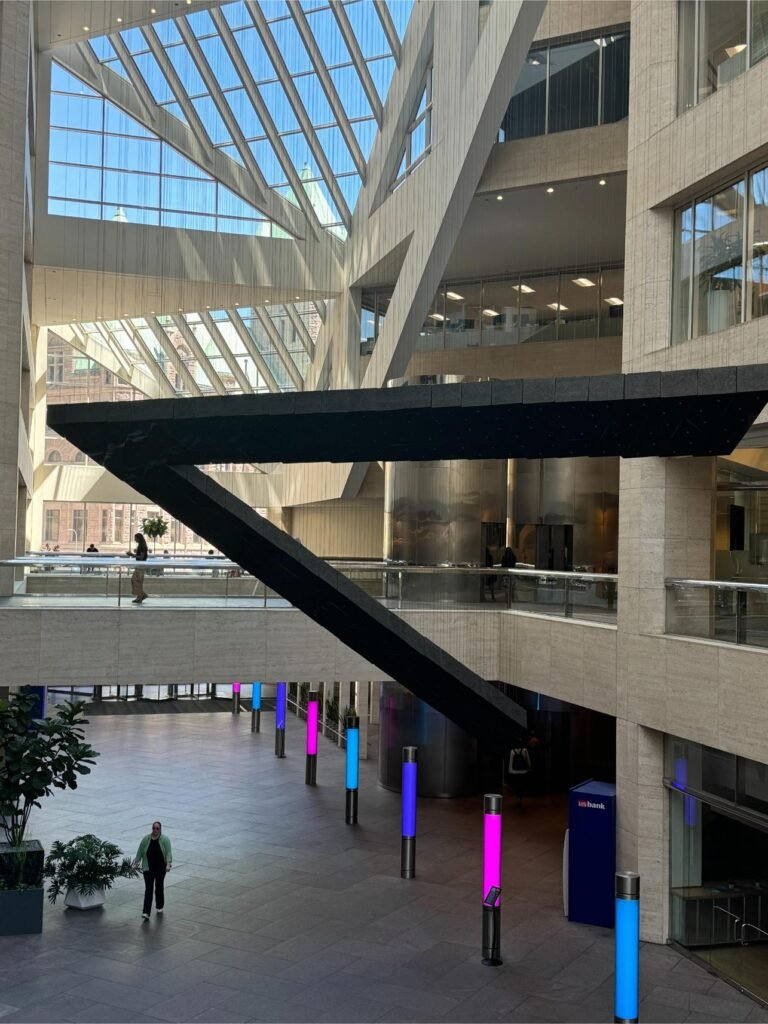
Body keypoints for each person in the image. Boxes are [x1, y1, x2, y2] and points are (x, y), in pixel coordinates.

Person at [133, 821, 172, 920]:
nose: (155, 830)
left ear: (160, 829)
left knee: (159, 887)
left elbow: (168, 853)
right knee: (149, 889)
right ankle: (146, 912)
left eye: (157, 828)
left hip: (160, 868)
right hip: (148, 868)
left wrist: (168, 864)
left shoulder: (165, 840)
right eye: (153, 828)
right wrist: (136, 862)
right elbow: (140, 852)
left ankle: (159, 906)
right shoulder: (146, 839)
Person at [131, 532, 149, 604]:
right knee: (137, 581)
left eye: (135, 538)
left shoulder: (142, 546)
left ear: (138, 538)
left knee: (135, 580)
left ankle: (141, 595)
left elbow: (141, 557)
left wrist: (132, 555)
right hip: (139, 566)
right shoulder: (141, 545)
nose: (135, 539)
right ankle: (140, 596)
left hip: (140, 566)